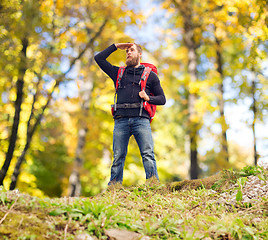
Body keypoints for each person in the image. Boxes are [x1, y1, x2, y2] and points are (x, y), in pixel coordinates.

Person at [94, 43, 166, 185]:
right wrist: (116, 46)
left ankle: (153, 185)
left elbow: (162, 99)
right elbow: (99, 58)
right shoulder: (118, 73)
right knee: (118, 157)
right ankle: (114, 188)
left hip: (141, 120)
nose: (128, 53)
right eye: (126, 51)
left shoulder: (150, 76)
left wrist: (148, 98)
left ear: (140, 54)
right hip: (120, 121)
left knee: (148, 154)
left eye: (131, 50)